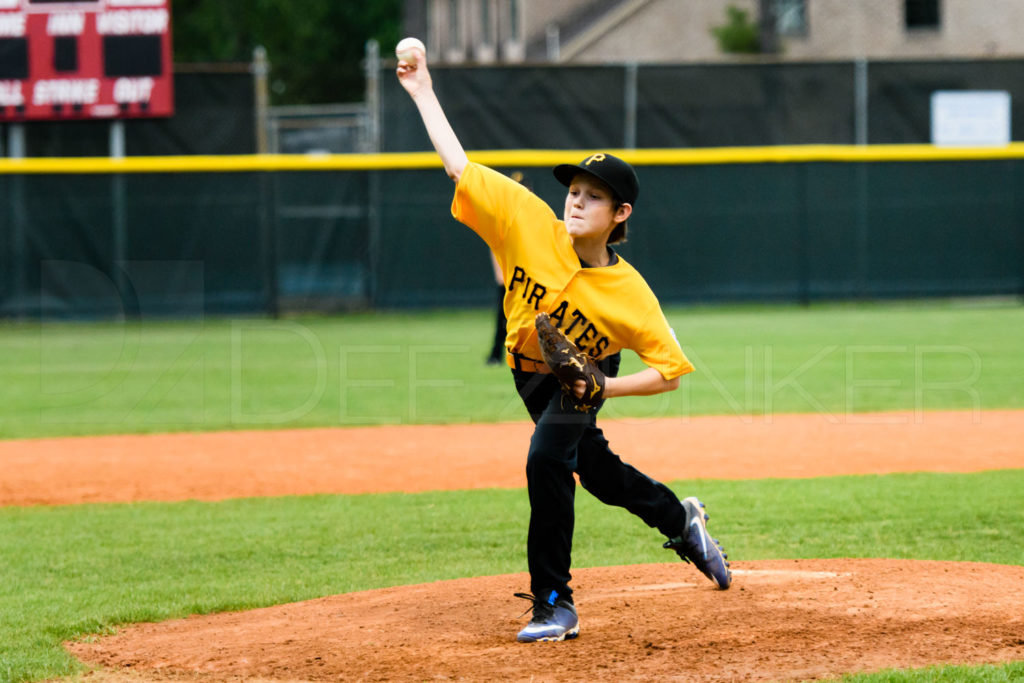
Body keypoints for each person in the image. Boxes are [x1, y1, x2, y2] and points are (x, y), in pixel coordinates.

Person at [396, 45, 731, 644]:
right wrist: (422, 89)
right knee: (596, 471)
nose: (576, 200)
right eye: (574, 189)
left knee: (547, 458)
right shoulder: (527, 220)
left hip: (583, 374)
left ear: (619, 213)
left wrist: (605, 385)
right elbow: (460, 167)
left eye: (593, 195)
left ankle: (555, 603)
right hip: (528, 373)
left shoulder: (630, 294)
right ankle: (683, 520)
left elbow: (669, 373)